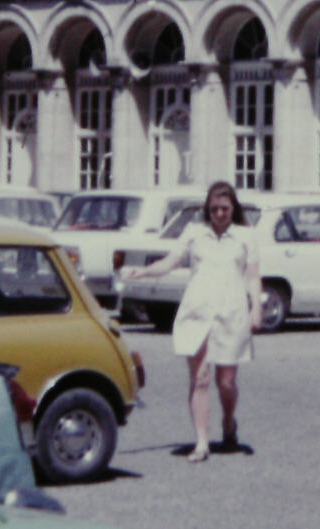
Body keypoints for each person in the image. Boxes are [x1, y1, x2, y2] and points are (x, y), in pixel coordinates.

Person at [119, 180, 260, 462]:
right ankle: (202, 442)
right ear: (208, 209)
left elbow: (253, 276)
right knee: (200, 378)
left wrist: (256, 307)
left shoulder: (246, 236)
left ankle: (229, 422)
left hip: (231, 313)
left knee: (226, 382)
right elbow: (169, 262)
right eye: (215, 208)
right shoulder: (194, 233)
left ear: (233, 208)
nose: (220, 213)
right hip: (197, 312)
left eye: (225, 208)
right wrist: (143, 272)